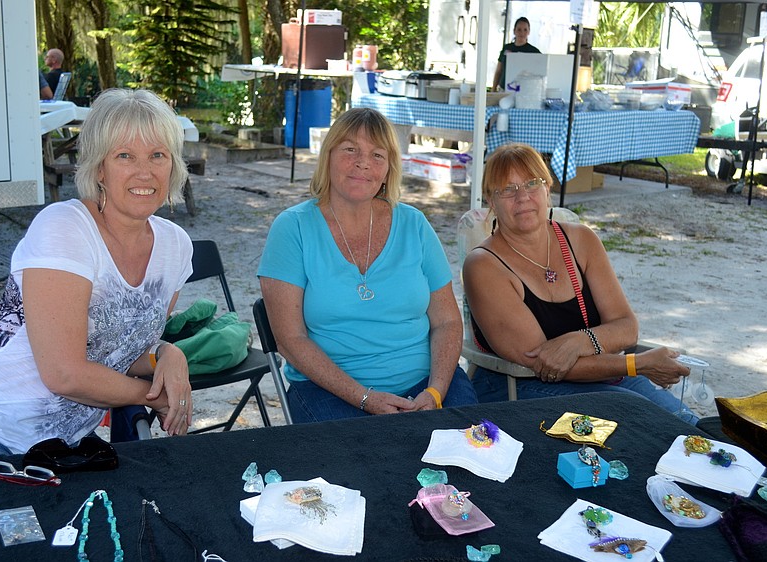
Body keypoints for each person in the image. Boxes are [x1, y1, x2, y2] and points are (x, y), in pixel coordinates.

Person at [0, 89, 195, 464]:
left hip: (55, 449)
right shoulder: (65, 228)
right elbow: (64, 374)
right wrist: (152, 395)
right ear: (99, 168)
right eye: (125, 156)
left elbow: (118, 351)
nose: (144, 172)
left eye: (157, 156)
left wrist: (167, 353)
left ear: (173, 165)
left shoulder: (176, 247)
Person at [258, 108, 477, 423]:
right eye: (350, 150)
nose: (363, 163)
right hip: (331, 390)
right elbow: (291, 341)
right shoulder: (292, 228)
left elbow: (446, 322)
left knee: (469, 454)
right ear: (328, 156)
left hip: (428, 386)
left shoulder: (414, 223)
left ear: (389, 168)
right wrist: (363, 398)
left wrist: (436, 391)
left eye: (377, 154)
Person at [462, 143, 699, 425]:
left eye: (531, 184)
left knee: (689, 426)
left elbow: (626, 326)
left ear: (547, 188)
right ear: (491, 200)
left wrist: (579, 341)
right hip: (518, 387)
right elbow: (543, 362)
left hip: (606, 377)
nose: (522, 197)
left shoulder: (581, 240)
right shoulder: (483, 265)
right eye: (507, 190)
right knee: (646, 425)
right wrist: (638, 363)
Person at [492, 17, 541, 92]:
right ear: (514, 31)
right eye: (519, 29)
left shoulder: (534, 51)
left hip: (524, 91)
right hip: (504, 89)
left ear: (529, 32)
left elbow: (539, 73)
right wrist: (493, 89)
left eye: (525, 30)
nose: (522, 33)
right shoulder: (507, 48)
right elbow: (499, 70)